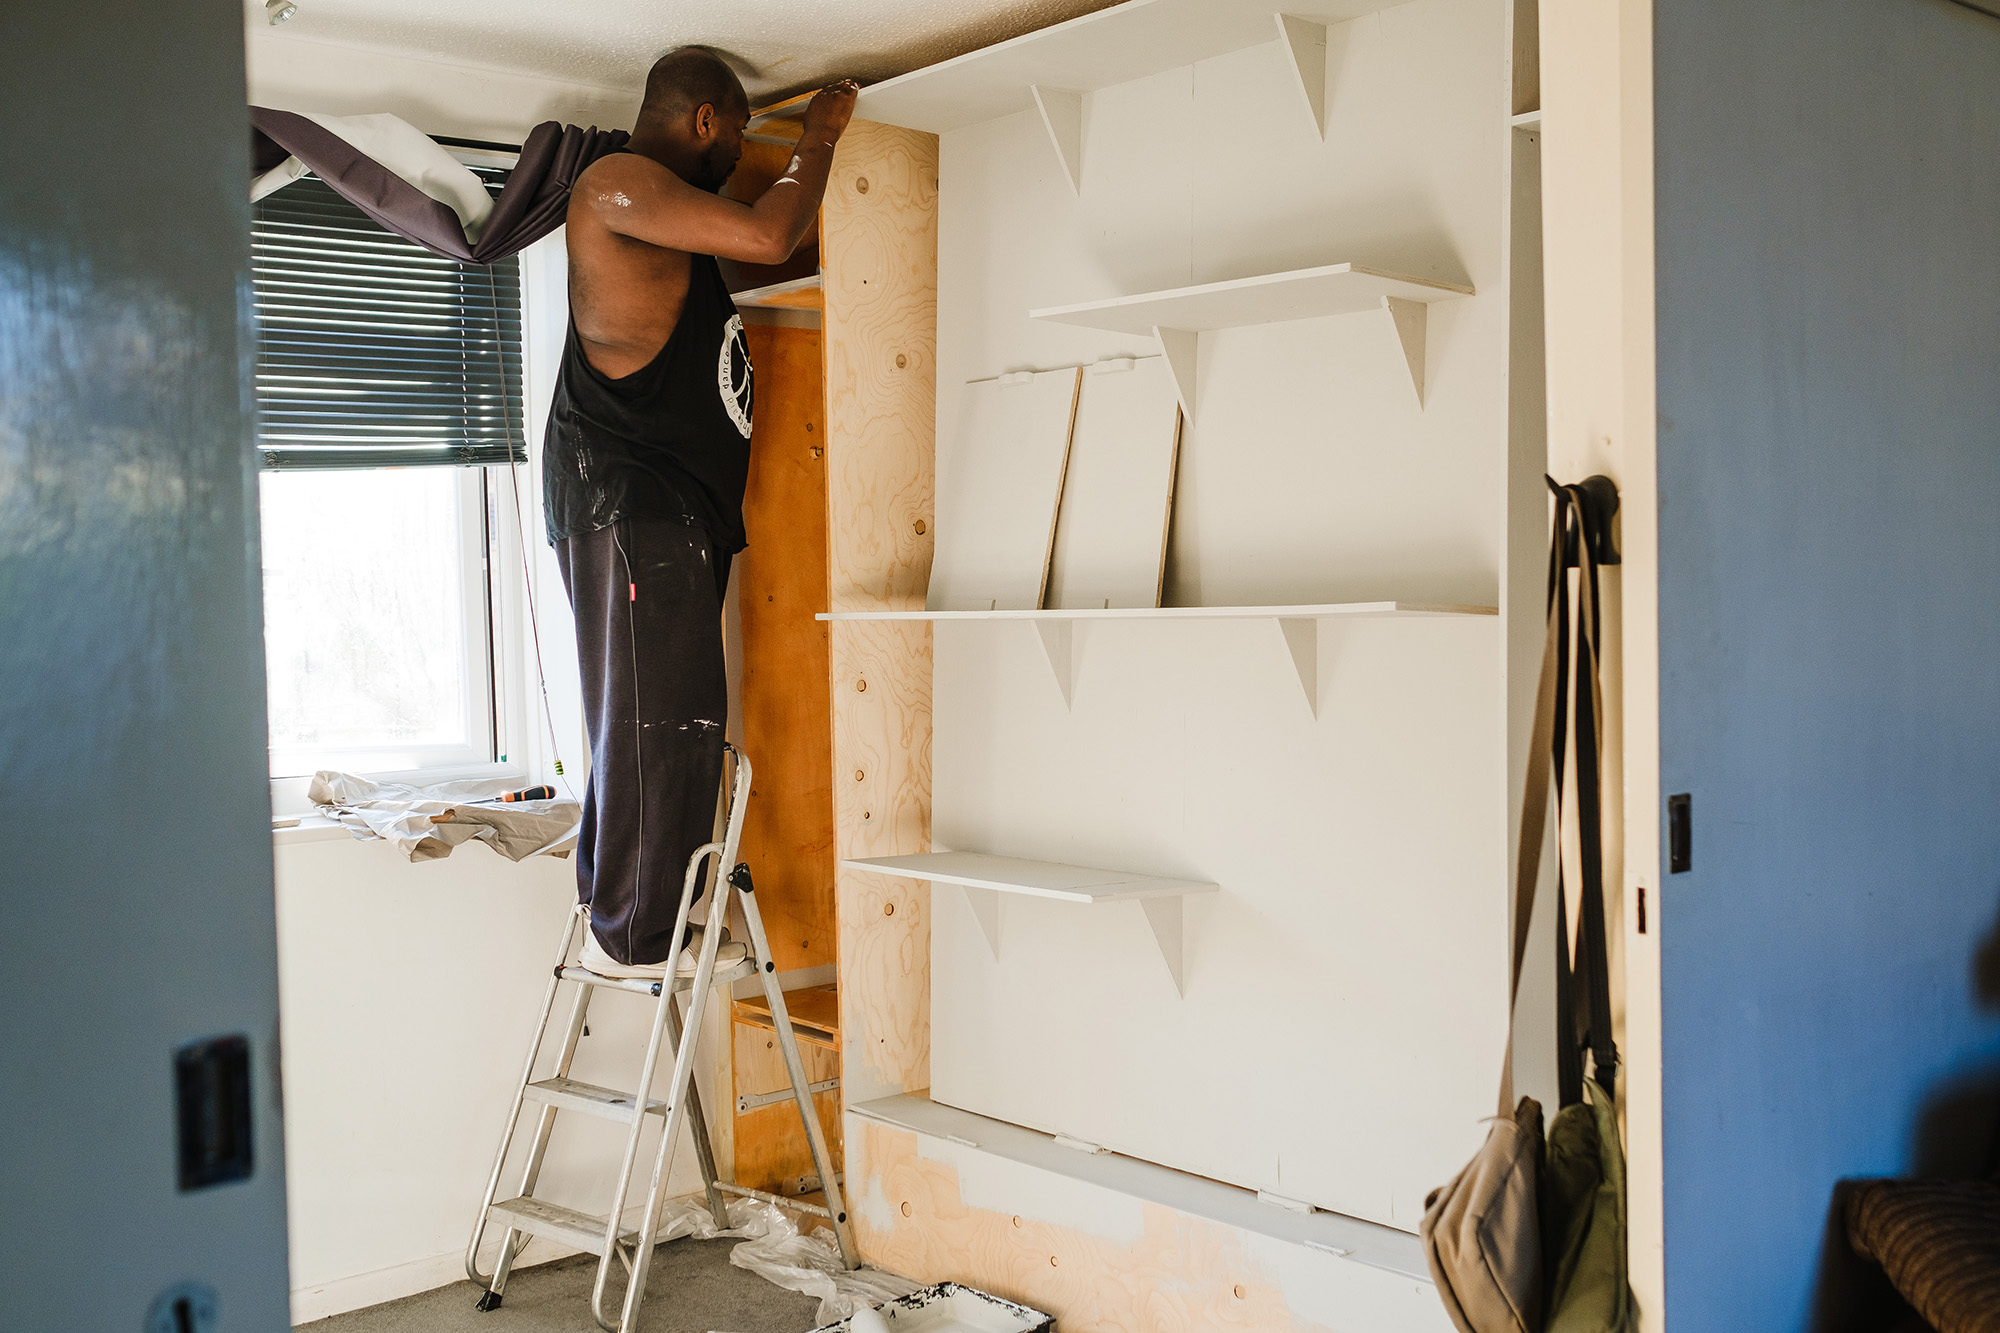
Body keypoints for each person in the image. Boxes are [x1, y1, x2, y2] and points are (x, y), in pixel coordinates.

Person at [543, 47, 857, 978]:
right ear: (707, 119)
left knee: (661, 707)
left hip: (664, 510)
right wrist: (819, 136)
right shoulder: (612, 188)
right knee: (661, 719)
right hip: (630, 500)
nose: (735, 167)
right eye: (738, 139)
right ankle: (644, 934)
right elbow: (767, 237)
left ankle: (630, 906)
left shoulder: (673, 224)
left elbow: (778, 239)